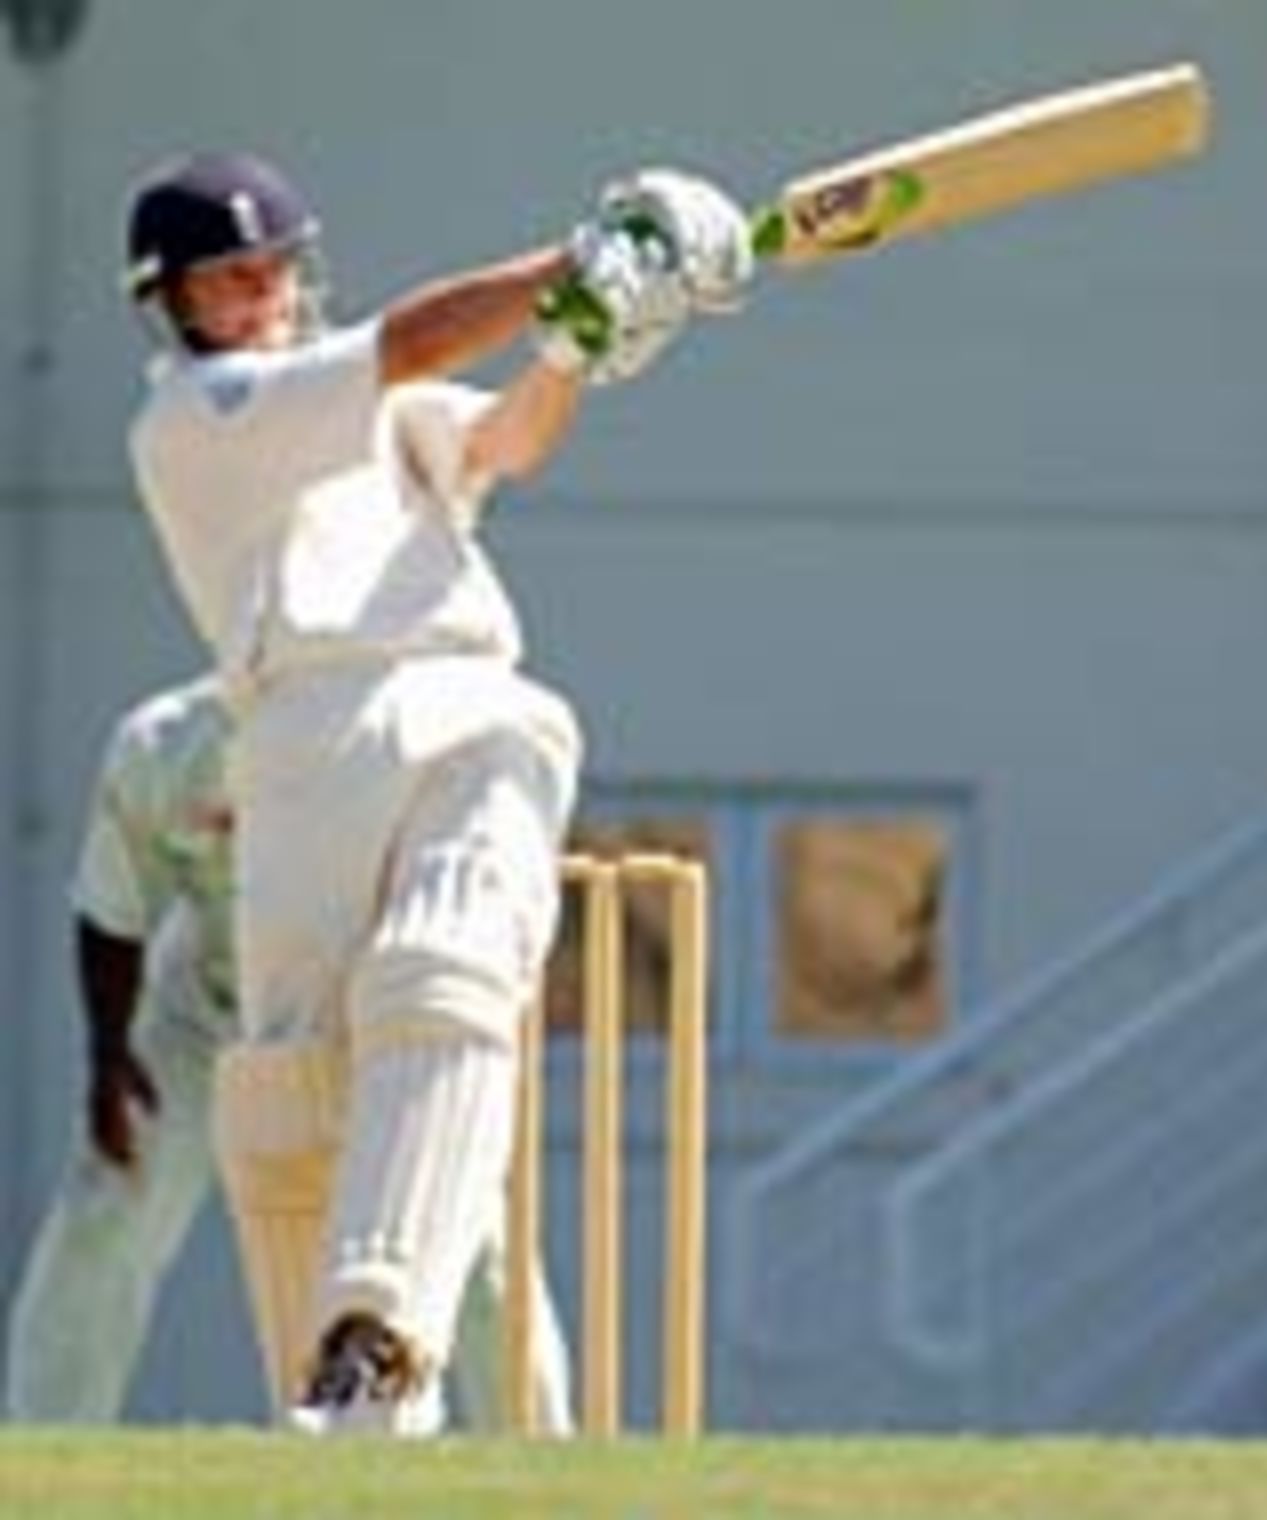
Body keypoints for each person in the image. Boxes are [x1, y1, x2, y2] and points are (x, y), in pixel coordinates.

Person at [119, 151, 752, 1433]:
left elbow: (504, 436)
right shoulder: (198, 419)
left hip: (466, 700)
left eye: (273, 270)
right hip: (297, 739)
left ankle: (381, 1320)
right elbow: (403, 342)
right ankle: (346, 1430)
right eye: (226, 280)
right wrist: (579, 266)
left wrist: (575, 346)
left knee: (443, 969)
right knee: (289, 1098)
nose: (258, 295)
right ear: (173, 303)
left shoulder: (374, 415)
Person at [4, 674, 575, 1433]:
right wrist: (109, 1056)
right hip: (211, 1006)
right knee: (112, 1201)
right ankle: (45, 1446)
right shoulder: (165, 743)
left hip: (370, 1015)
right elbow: (113, 909)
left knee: (471, 1239)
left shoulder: (406, 734)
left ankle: (544, 1456)